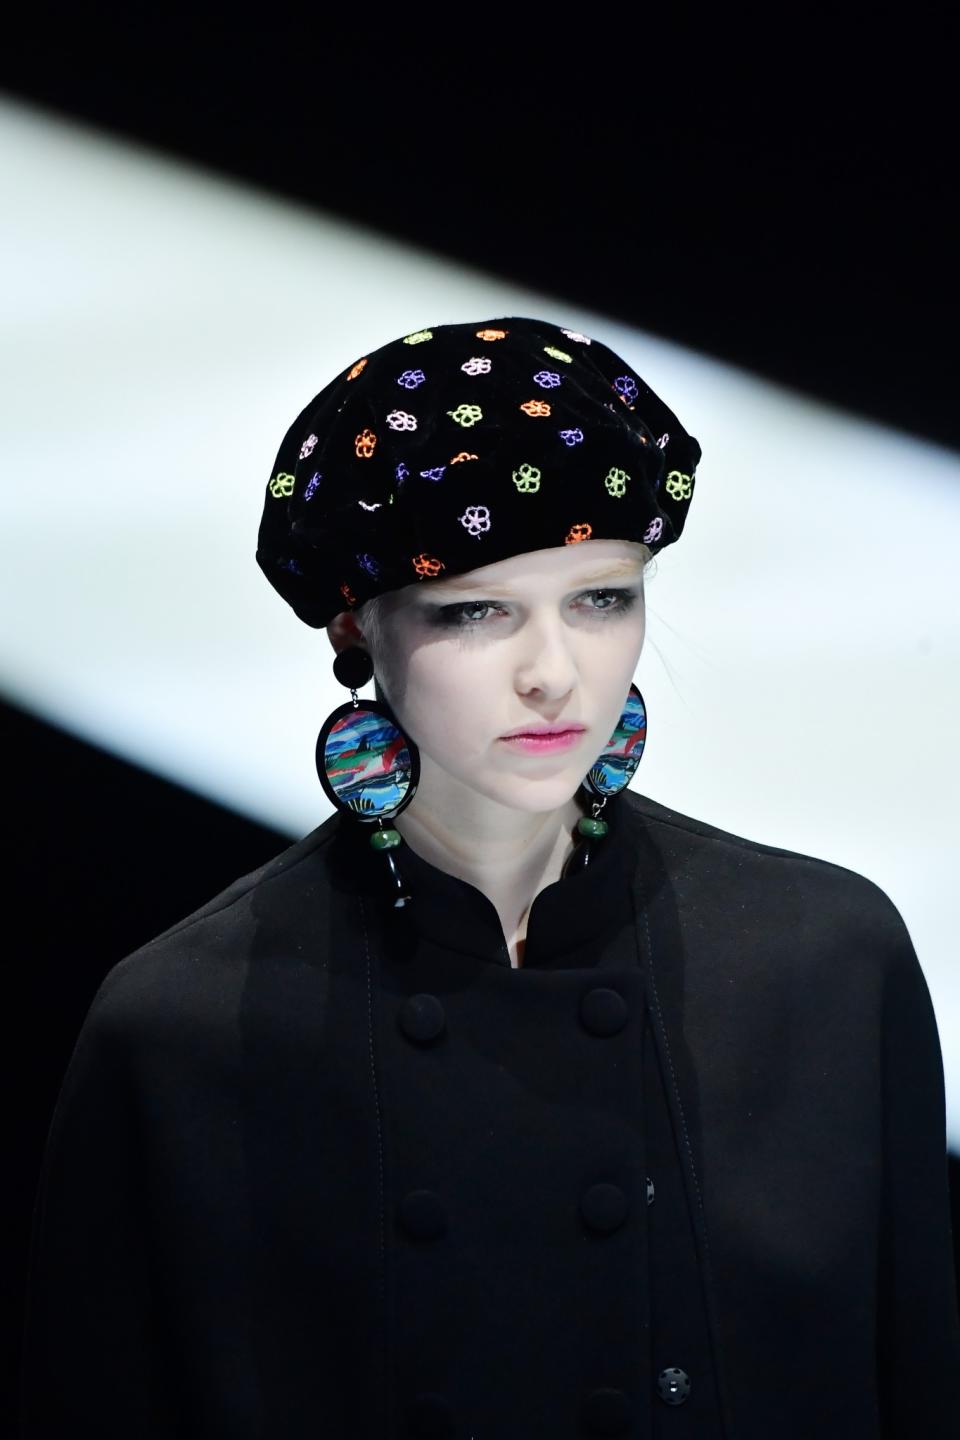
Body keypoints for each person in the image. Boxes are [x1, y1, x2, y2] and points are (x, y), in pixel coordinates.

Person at [19, 316, 960, 1437]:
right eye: (477, 611)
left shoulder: (825, 959)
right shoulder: (183, 1027)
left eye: (601, 598)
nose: (554, 674)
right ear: (354, 624)